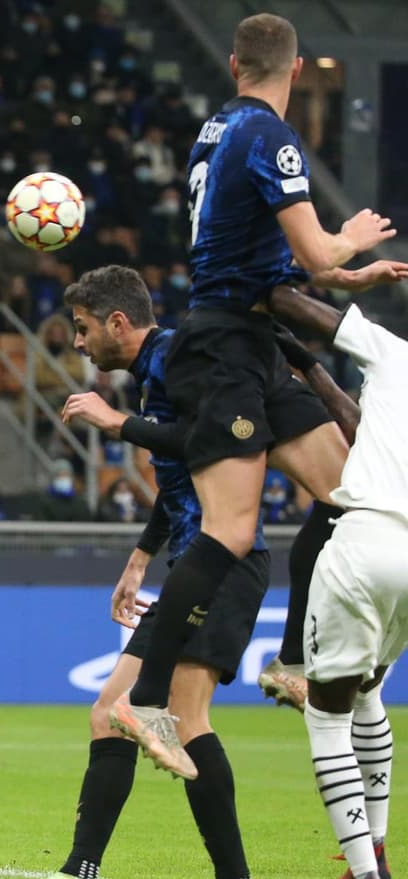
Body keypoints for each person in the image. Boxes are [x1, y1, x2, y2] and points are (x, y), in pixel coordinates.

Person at [107, 13, 408, 774]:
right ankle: (146, 701)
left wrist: (348, 277)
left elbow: (276, 260)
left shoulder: (215, 132)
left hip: (256, 336)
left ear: (236, 65)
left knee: (349, 493)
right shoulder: (270, 137)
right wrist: (352, 240)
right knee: (231, 530)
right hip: (226, 349)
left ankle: (287, 660)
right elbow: (311, 249)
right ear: (297, 68)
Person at [56, 267, 360, 877]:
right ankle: (80, 869)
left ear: (119, 322)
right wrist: (142, 557)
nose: (79, 343)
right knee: (108, 714)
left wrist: (119, 423)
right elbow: (181, 475)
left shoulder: (182, 358)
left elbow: (208, 441)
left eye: (84, 328)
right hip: (196, 559)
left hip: (227, 563)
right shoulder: (159, 371)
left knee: (186, 719)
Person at [266, 284, 399, 879]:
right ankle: (376, 849)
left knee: (326, 713)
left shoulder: (397, 355)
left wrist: (261, 285)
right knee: (368, 690)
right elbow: (361, 426)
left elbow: (324, 314)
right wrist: (310, 367)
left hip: (367, 540)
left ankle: (364, 873)